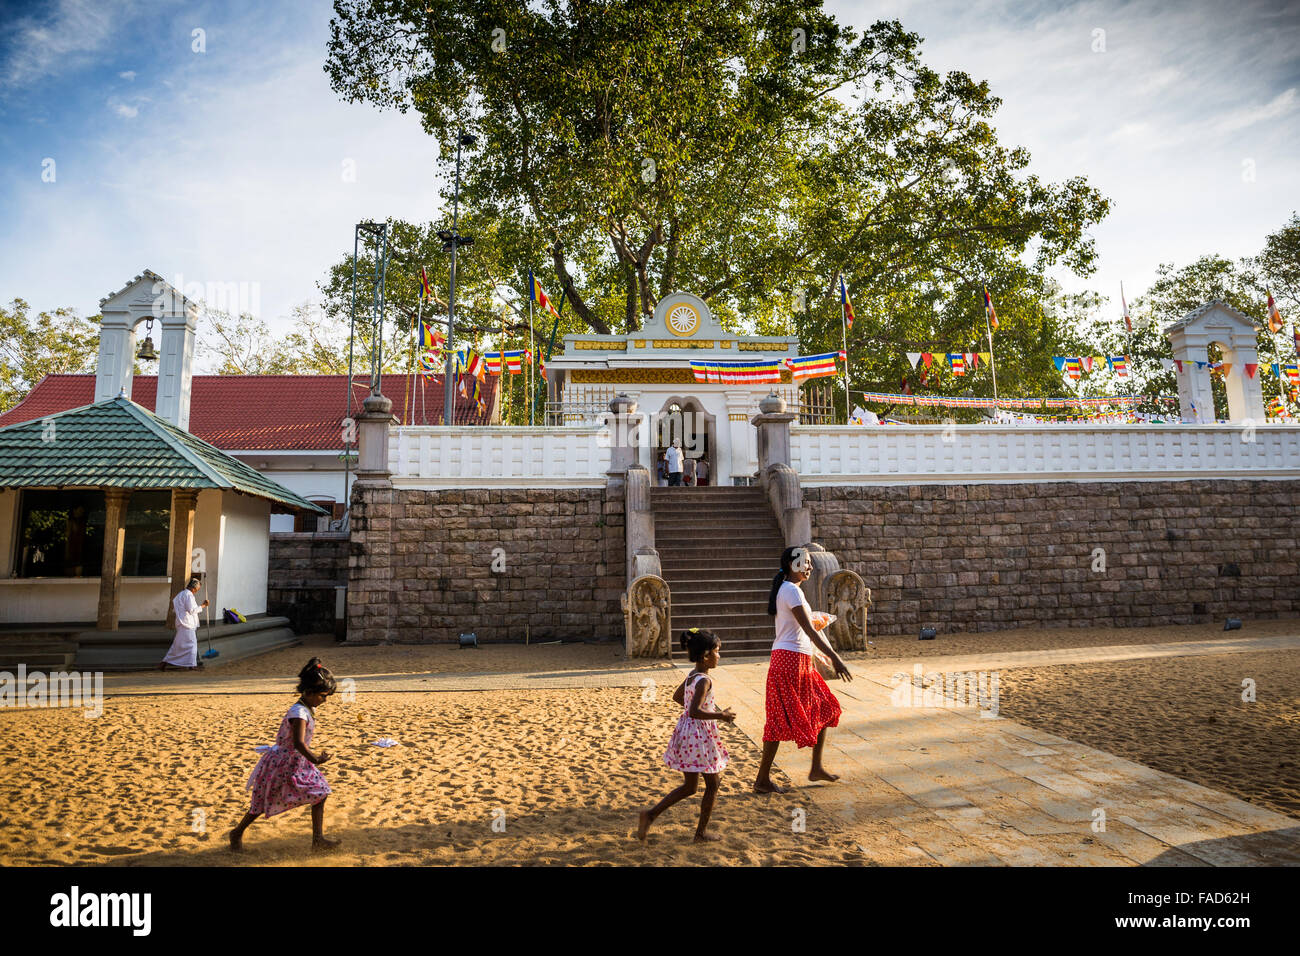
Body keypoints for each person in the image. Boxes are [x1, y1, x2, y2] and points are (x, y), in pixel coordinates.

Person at [753, 547, 852, 794]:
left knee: (826, 707)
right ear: (790, 564)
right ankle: (763, 779)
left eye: (809, 563)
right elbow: (808, 630)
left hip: (794, 659)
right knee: (779, 720)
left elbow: (802, 627)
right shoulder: (791, 591)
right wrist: (835, 657)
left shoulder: (788, 590)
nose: (808, 566)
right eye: (804, 562)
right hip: (789, 660)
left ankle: (814, 767)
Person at [230, 658, 339, 853]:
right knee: (262, 803)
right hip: (283, 765)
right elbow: (298, 743)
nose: (325, 700)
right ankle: (237, 832)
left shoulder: (307, 708)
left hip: (298, 763)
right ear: (309, 692)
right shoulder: (299, 713)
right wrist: (316, 759)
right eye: (323, 695)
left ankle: (318, 840)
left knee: (321, 794)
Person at [637, 629, 734, 842]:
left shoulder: (693, 675)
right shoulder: (704, 681)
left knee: (690, 786)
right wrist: (721, 715)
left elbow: (677, 697)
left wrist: (693, 716)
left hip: (689, 733)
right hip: (700, 737)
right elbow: (694, 711)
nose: (719, 656)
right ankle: (700, 833)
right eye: (717, 652)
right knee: (713, 785)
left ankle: (651, 814)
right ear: (706, 656)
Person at [159, 577, 209, 671]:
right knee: (191, 644)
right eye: (197, 590)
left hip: (182, 622)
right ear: (193, 588)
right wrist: (203, 605)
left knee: (179, 645)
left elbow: (176, 609)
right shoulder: (188, 595)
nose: (196, 591)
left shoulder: (180, 594)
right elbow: (192, 610)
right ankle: (190, 665)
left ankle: (187, 664)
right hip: (187, 623)